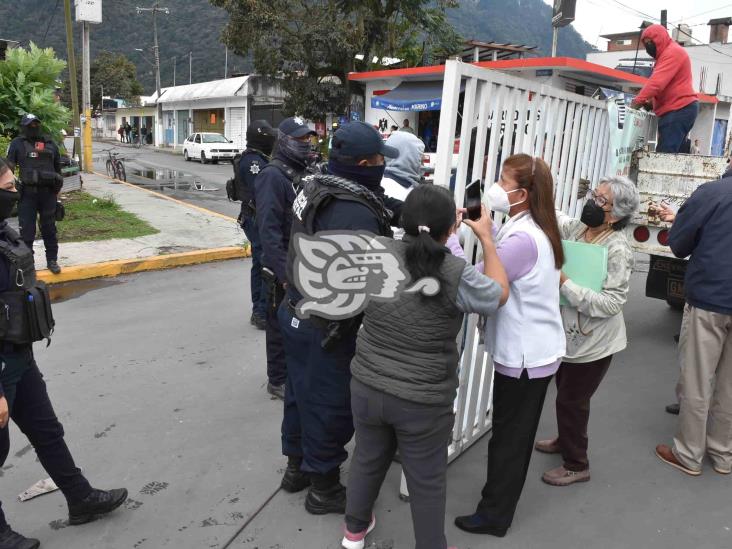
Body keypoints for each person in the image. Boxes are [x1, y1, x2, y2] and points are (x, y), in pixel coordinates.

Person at [342, 186, 509, 549]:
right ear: (452, 228)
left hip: (367, 384)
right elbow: (498, 295)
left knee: (367, 460)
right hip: (422, 399)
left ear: (402, 221)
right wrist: (488, 240)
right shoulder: (455, 272)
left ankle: (353, 534)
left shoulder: (376, 252)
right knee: (426, 481)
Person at [0, 158, 128, 549]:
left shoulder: (2, 232)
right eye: (5, 181)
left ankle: (80, 498)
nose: (13, 187)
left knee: (47, 431)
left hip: (19, 354)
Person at [278, 121, 404, 515]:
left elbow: (377, 203)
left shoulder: (320, 184)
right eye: (381, 159)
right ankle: (324, 487)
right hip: (327, 325)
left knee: (299, 393)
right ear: (366, 163)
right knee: (329, 403)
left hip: (295, 309)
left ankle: (296, 468)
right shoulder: (355, 214)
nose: (385, 164)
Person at [453, 154, 565, 538]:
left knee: (509, 439)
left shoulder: (522, 238)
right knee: (512, 434)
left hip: (524, 357)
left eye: (503, 181)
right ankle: (496, 507)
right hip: (533, 351)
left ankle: (494, 516)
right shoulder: (534, 225)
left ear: (524, 193)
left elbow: (480, 287)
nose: (496, 188)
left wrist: (460, 239)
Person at [534, 177, 640, 486]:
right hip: (571, 335)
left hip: (595, 343)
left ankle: (577, 463)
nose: (593, 202)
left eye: (602, 201)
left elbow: (611, 303)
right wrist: (537, 186)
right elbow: (557, 218)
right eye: (595, 195)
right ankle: (565, 440)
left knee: (571, 400)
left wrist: (565, 283)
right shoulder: (582, 230)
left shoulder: (618, 249)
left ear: (617, 214)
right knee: (566, 394)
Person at [654, 164, 732, 476]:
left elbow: (679, 244)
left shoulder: (711, 193)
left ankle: (688, 454)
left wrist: (680, 222)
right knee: (730, 385)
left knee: (698, 379)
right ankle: (724, 454)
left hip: (710, 300)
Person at [255, 117, 316, 400]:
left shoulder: (302, 172)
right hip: (281, 265)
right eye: (300, 140)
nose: (307, 145)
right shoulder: (272, 176)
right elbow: (268, 230)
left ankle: (292, 372)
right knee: (278, 324)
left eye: (308, 140)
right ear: (284, 141)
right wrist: (283, 274)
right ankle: (277, 378)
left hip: (302, 261)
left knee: (296, 323)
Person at [6, 114, 63, 275]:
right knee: (27, 232)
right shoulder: (17, 144)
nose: (33, 127)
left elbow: (57, 168)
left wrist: (58, 190)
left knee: (50, 229)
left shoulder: (50, 143)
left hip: (48, 195)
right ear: (24, 127)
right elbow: (7, 168)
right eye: (30, 125)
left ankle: (52, 260)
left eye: (36, 124)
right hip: (27, 195)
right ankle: (27, 264)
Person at [630, 24, 698, 153]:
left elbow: (656, 83)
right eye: (646, 44)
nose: (648, 47)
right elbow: (667, 86)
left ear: (659, 39)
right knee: (670, 154)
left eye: (651, 42)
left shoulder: (672, 52)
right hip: (679, 109)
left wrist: (636, 102)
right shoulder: (667, 55)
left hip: (679, 109)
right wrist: (651, 103)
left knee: (664, 155)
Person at [237, 120, 276, 331]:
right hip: (255, 218)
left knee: (259, 263)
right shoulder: (253, 162)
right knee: (263, 264)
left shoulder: (256, 158)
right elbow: (261, 193)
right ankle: (260, 312)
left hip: (253, 217)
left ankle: (260, 310)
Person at [380, 131, 424, 202]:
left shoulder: (379, 183)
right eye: (419, 156)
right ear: (410, 157)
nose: (422, 162)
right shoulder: (408, 196)